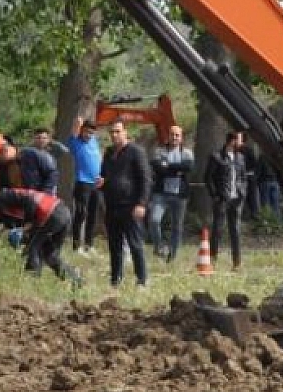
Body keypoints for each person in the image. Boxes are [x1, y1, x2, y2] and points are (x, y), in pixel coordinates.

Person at [0, 190, 80, 285]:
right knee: (49, 255)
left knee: (33, 249)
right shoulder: (1, 212)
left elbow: (29, 202)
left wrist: (26, 226)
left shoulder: (3, 197)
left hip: (53, 212)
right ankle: (76, 281)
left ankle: (31, 282)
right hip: (60, 213)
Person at [98, 122, 152, 288]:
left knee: (135, 244)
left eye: (118, 131)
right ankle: (115, 279)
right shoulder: (108, 153)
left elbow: (145, 178)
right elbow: (104, 175)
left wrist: (141, 203)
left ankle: (142, 280)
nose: (114, 135)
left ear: (125, 132)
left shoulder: (136, 151)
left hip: (130, 205)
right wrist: (102, 183)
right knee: (114, 245)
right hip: (112, 205)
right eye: (112, 132)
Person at [147, 125, 195, 262]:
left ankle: (173, 255)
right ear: (168, 136)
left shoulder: (187, 153)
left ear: (181, 138)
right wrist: (176, 169)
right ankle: (159, 247)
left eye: (177, 135)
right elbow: (157, 167)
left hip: (180, 195)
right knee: (154, 220)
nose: (174, 137)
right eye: (172, 134)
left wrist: (167, 166)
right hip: (161, 193)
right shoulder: (159, 151)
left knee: (177, 226)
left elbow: (188, 167)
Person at [204, 131, 248, 269]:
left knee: (235, 230)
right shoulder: (216, 157)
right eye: (240, 140)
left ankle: (237, 262)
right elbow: (208, 178)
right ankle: (212, 258)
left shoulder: (240, 157)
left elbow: (243, 177)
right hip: (222, 198)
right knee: (217, 229)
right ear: (232, 141)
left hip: (237, 199)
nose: (242, 143)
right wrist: (215, 195)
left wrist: (243, 191)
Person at [67, 116, 103, 253]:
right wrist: (78, 123)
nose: (88, 135)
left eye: (91, 132)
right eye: (86, 132)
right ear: (81, 131)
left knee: (93, 215)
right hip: (82, 183)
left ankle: (89, 244)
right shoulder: (75, 142)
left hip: (96, 184)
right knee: (81, 214)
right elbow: (75, 130)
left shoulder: (93, 141)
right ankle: (76, 246)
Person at [18, 128, 60, 195]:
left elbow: (52, 175)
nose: (41, 140)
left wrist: (45, 192)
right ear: (34, 139)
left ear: (48, 140)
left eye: (44, 138)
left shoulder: (51, 155)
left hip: (44, 192)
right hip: (29, 191)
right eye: (38, 138)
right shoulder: (27, 153)